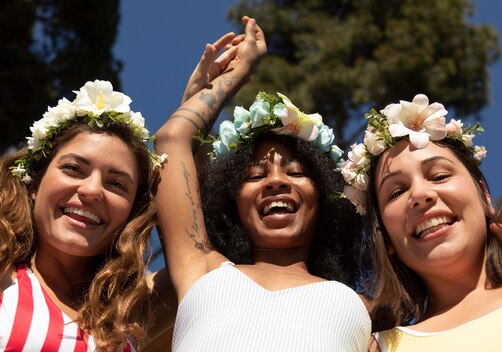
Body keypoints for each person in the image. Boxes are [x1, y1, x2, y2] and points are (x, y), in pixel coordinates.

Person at [337, 1, 502, 346]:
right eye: (395, 192)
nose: (421, 195)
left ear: (485, 197)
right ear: (387, 238)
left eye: (439, 176)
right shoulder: (378, 345)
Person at [154, 16, 378, 351]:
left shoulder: (367, 310)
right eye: (255, 176)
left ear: (326, 198)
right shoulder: (200, 268)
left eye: (296, 172)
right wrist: (236, 73)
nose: (275, 182)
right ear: (233, 202)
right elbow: (172, 139)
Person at [0, 80, 163, 351]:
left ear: (131, 212)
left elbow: (198, 258)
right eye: (73, 168)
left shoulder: (130, 313)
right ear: (34, 183)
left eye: (117, 184)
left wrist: (199, 106)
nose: (92, 190)